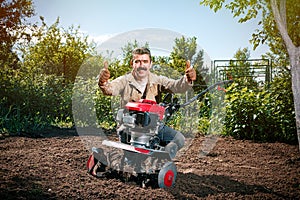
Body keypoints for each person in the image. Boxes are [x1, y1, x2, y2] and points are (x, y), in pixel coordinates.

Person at [98, 47, 196, 158]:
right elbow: (110, 89)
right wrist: (103, 82)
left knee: (179, 139)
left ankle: (159, 157)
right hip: (130, 129)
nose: (141, 65)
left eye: (145, 61)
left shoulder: (157, 80)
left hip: (153, 127)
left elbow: (176, 86)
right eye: (137, 61)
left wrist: (187, 79)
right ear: (132, 64)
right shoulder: (124, 81)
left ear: (150, 64)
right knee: (134, 160)